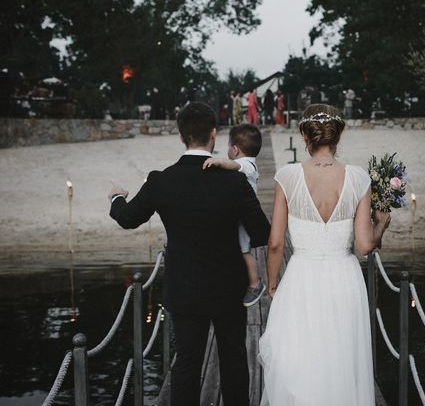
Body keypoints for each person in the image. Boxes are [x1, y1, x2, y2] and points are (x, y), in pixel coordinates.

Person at [108, 102, 271, 406]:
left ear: (182, 137)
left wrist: (117, 197)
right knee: (234, 360)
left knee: (186, 363)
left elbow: (128, 217)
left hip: (184, 288)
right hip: (228, 286)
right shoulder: (233, 180)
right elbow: (262, 232)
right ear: (213, 134)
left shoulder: (161, 180)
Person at [259, 104, 391, 405]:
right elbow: (364, 246)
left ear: (305, 136)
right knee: (341, 356)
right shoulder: (358, 178)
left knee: (301, 358)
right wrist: (380, 225)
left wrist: (273, 284)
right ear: (337, 137)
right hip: (345, 279)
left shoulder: (287, 176)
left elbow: (276, 242)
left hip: (301, 277)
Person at [202, 124, 266, 306]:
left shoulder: (246, 165)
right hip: (241, 214)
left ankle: (255, 284)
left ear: (235, 149)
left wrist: (219, 162)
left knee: (244, 251)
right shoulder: (250, 163)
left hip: (245, 218)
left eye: (229, 146)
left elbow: (235, 165)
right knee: (239, 249)